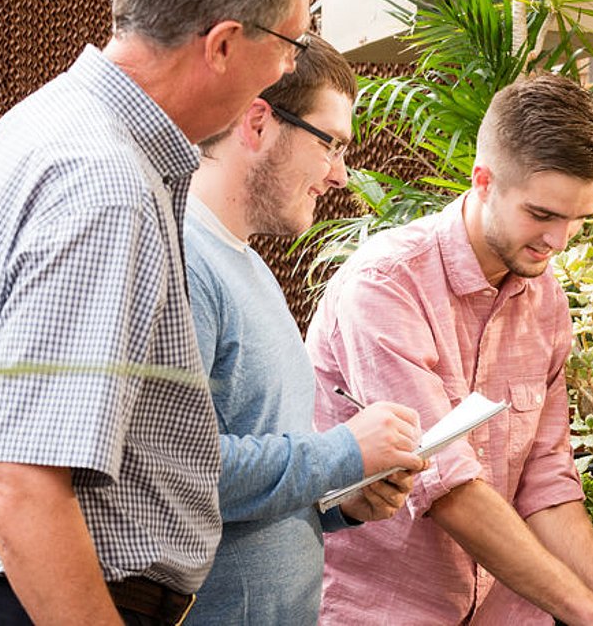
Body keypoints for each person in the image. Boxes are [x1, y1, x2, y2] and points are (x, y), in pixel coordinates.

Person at [0, 0, 354, 624]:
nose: (284, 70)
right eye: (291, 44)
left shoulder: (49, 124)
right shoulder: (106, 182)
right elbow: (21, 482)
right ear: (224, 43)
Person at [307, 73, 593, 626]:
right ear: (483, 181)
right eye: (543, 214)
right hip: (385, 610)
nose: (559, 241)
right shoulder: (385, 284)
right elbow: (447, 484)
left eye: (580, 219)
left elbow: (546, 477)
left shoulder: (545, 295)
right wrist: (589, 615)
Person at [182, 35, 425, 624]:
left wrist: (341, 496)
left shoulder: (248, 265)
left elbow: (265, 459)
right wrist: (343, 450)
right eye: (331, 144)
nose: (340, 176)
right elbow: (179, 471)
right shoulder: (186, 262)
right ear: (259, 123)